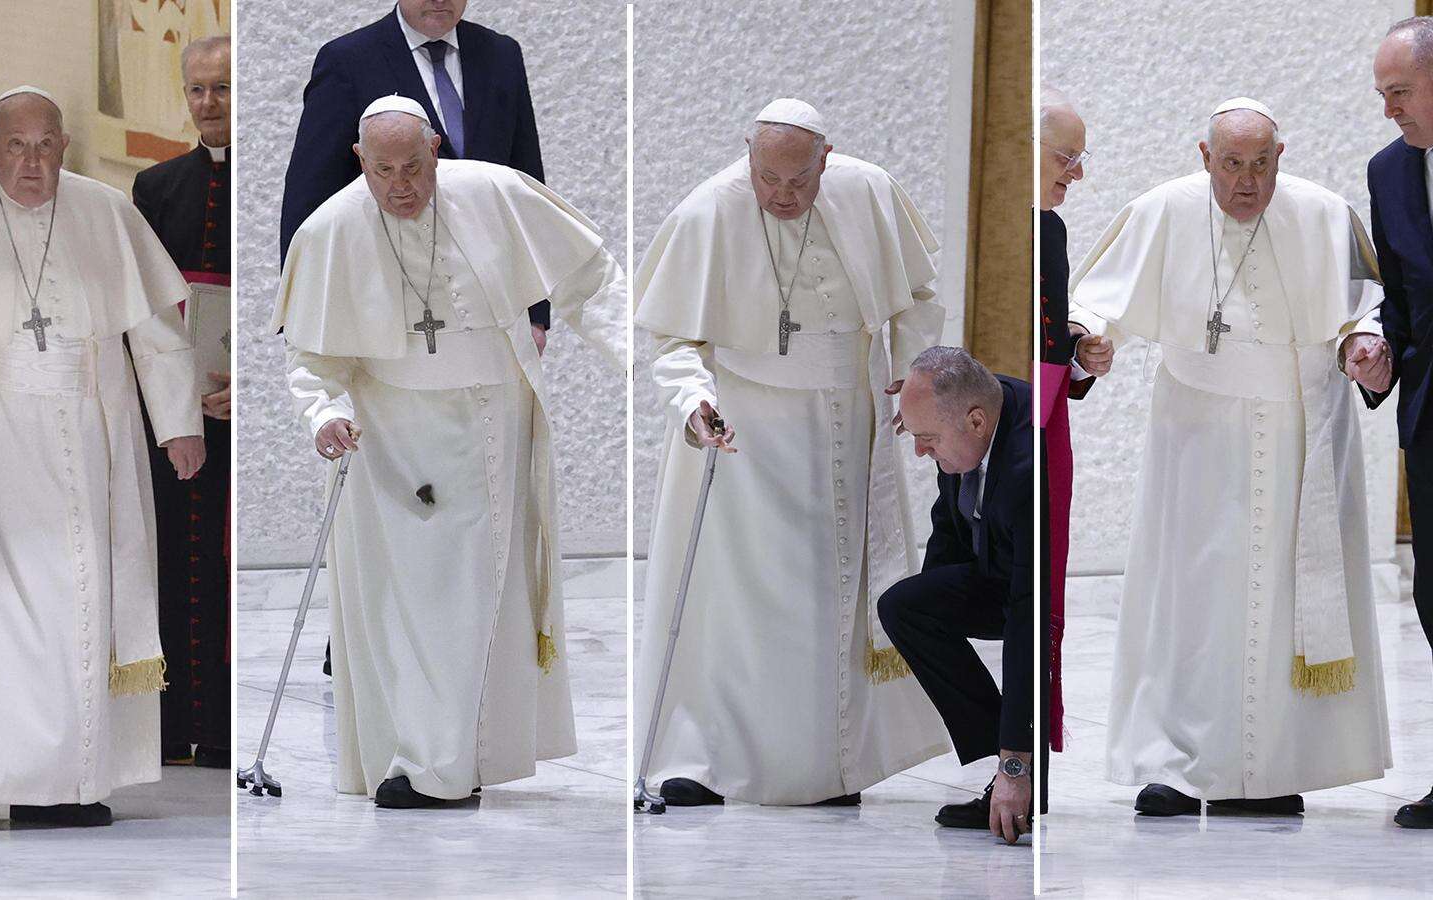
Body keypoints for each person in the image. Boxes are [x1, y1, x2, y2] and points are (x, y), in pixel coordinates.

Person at [270, 96, 623, 808]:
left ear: (436, 149)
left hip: (496, 423)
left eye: (413, 166)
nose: (400, 185)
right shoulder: (331, 229)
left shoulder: (495, 193)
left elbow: (591, 279)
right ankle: (427, 760)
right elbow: (312, 358)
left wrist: (635, 362)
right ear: (358, 163)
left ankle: (453, 760)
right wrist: (326, 416)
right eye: (382, 171)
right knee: (417, 603)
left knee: (480, 597)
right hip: (393, 438)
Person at [0, 86, 205, 827]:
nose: (33, 162)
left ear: (66, 147)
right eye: (17, 145)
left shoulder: (107, 212)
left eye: (47, 144)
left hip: (89, 439)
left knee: (76, 609)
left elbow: (156, 329)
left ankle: (62, 785)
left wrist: (177, 424)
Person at [1069, 98, 1390, 817]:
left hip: (1301, 428)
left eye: (1261, 164)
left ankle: (1273, 769)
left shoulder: (1323, 213)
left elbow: (1365, 307)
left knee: (1285, 595)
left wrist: (1363, 346)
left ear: (1283, 155)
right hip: (1197, 434)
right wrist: (1091, 340)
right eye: (1231, 164)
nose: (1246, 183)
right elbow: (1096, 301)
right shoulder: (1163, 209)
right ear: (1202, 156)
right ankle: (1174, 764)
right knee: (1190, 595)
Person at [632, 98, 951, 807]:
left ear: (825, 161)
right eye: (767, 177)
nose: (781, 194)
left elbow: (918, 294)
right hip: (746, 431)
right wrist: (694, 402)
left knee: (830, 602)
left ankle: (831, 768)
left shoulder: (867, 191)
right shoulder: (708, 211)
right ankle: (706, 758)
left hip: (846, 420)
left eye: (798, 180)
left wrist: (910, 371)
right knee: (738, 604)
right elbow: (674, 339)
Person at [279, 1, 551, 352]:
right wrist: (303, 316)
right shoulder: (348, 61)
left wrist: (535, 312)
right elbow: (310, 195)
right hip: (390, 303)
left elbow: (525, 182)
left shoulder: (501, 54)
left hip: (493, 303)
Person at [877, 347, 1033, 844]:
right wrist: (933, 622)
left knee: (1016, 632)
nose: (921, 451)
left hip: (1030, 591)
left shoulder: (1024, 470)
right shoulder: (970, 413)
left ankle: (1020, 776)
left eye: (928, 438)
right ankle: (1006, 764)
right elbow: (948, 526)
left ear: (976, 421)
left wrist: (1015, 762)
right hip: (991, 569)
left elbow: (1027, 622)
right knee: (905, 605)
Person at [131, 34, 233, 769]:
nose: (209, 103)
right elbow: (145, 305)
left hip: (243, 410)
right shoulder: (157, 187)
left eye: (223, 87)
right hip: (173, 412)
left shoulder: (278, 181)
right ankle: (169, 727)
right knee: (171, 557)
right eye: (197, 89)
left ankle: (225, 726)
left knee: (225, 569)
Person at [1355, 16, 1433, 830]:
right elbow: (1405, 304)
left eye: (1400, 92)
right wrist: (1381, 358)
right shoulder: (1389, 173)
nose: (1389, 111)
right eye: (1382, 95)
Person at [1035, 86, 1111, 795]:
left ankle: (1031, 770)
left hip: (1045, 422)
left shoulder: (1048, 230)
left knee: (1041, 596)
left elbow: (1046, 332)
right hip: (996, 431)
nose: (1077, 175)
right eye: (1067, 158)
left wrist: (1080, 347)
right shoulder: (996, 232)